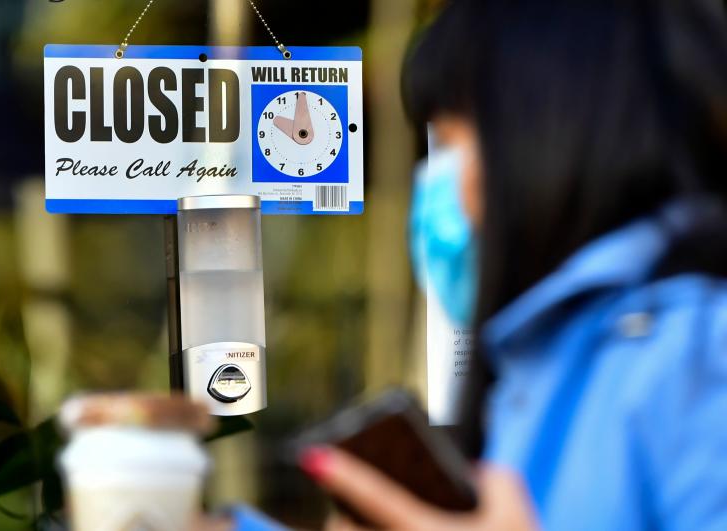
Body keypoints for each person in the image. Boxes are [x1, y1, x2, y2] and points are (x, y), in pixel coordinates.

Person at [234, 0, 727, 529]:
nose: (438, 185)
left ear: (546, 138)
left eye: (450, 143)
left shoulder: (697, 350)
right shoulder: (534, 363)